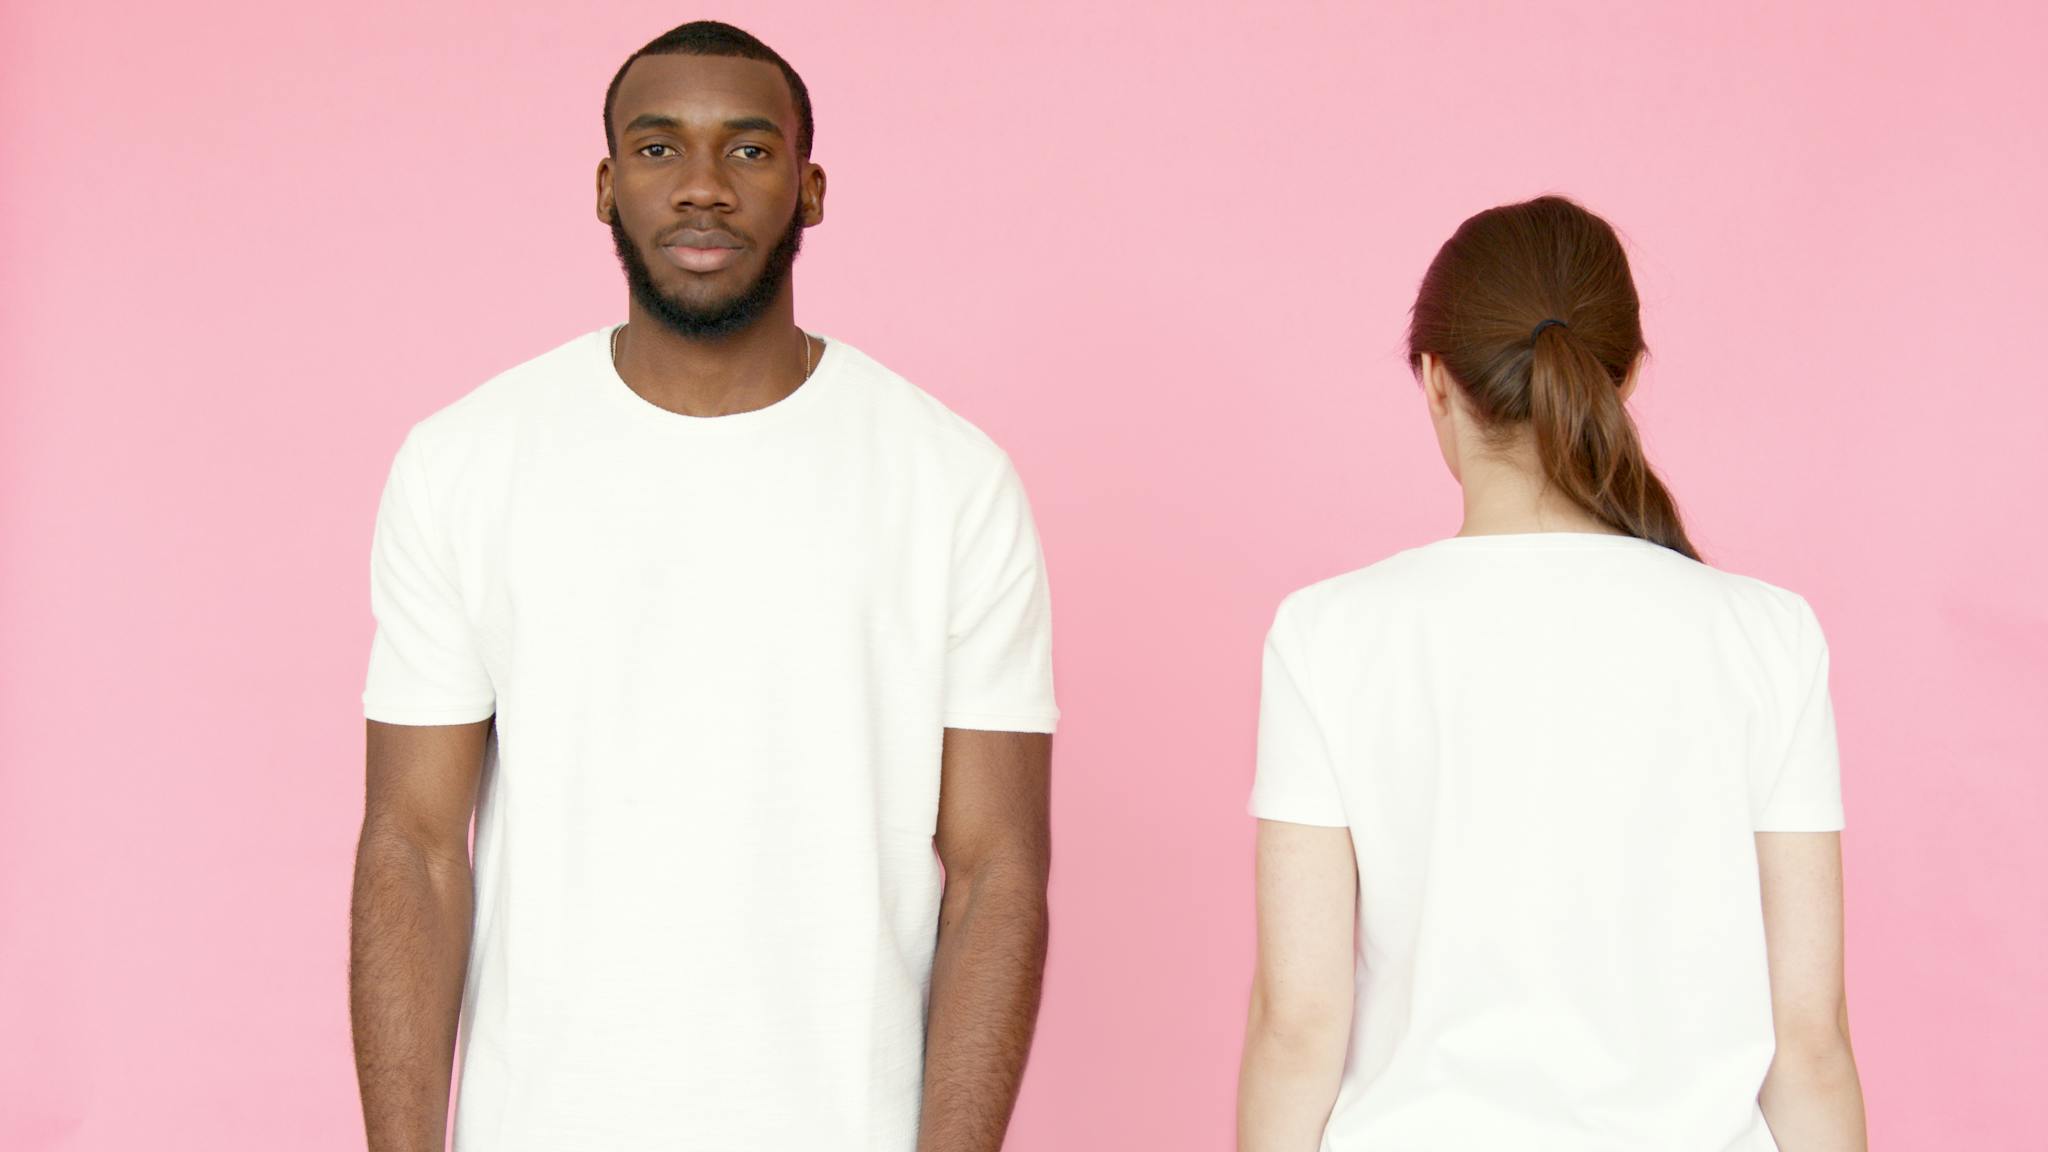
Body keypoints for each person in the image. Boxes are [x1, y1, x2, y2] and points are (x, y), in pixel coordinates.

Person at [348, 21, 1058, 1152]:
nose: (702, 186)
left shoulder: (951, 481)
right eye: (658, 147)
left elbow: (996, 872)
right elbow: (415, 847)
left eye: (749, 150)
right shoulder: (465, 463)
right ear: (605, 186)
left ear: (810, 189)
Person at [1236, 196, 1867, 1151]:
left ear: (1435, 380)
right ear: (1628, 375)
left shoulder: (1328, 635)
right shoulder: (1769, 637)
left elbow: (1298, 1025)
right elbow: (1810, 1043)